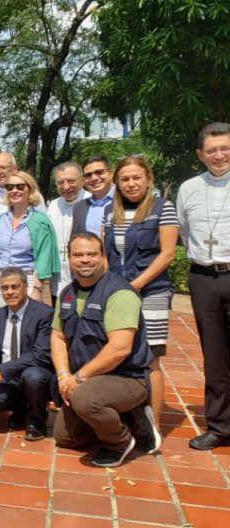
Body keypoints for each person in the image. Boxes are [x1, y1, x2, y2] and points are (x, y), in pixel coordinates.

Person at [52, 232, 159, 467]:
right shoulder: (67, 293)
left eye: (92, 254)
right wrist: (63, 375)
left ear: (103, 257)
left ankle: (119, 442)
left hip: (126, 378)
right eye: (78, 255)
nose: (85, 260)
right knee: (65, 438)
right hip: (88, 380)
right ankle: (126, 418)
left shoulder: (119, 293)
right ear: (69, 258)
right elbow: (58, 336)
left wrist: (78, 378)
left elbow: (119, 349)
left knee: (85, 400)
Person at [104, 155, 178, 428]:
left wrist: (136, 284)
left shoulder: (163, 208)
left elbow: (167, 254)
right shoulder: (110, 212)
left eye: (137, 177)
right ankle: (127, 417)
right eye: (125, 179)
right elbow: (105, 254)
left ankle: (154, 425)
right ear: (117, 183)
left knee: (150, 357)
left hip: (150, 292)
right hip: (118, 293)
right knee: (120, 351)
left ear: (148, 179)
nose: (131, 183)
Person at [176, 122, 230, 450]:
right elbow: (183, 231)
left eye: (225, 148)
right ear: (200, 154)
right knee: (215, 355)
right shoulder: (189, 188)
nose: (219, 155)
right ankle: (220, 426)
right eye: (212, 150)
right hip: (203, 278)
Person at [0, 268, 55, 440]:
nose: (10, 292)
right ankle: (20, 409)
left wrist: (1, 370)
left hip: (34, 371)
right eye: (5, 288)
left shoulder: (44, 314)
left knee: (32, 377)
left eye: (15, 287)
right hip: (8, 377)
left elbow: (40, 355)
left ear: (25, 287)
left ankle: (36, 420)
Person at [0, 171, 60, 306]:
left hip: (26, 281)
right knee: (1, 324)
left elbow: (43, 259)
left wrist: (36, 289)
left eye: (20, 187)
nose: (14, 190)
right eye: (9, 187)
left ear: (29, 189)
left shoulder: (39, 222)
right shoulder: (0, 221)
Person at [46, 162, 89, 305]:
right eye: (60, 182)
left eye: (71, 181)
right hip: (58, 277)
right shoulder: (53, 205)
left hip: (85, 274)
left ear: (82, 180)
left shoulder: (91, 201)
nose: (65, 186)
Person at [71, 155, 115, 237]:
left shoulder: (126, 200)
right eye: (88, 175)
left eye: (99, 172)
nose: (94, 178)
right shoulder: (79, 207)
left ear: (111, 173)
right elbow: (75, 241)